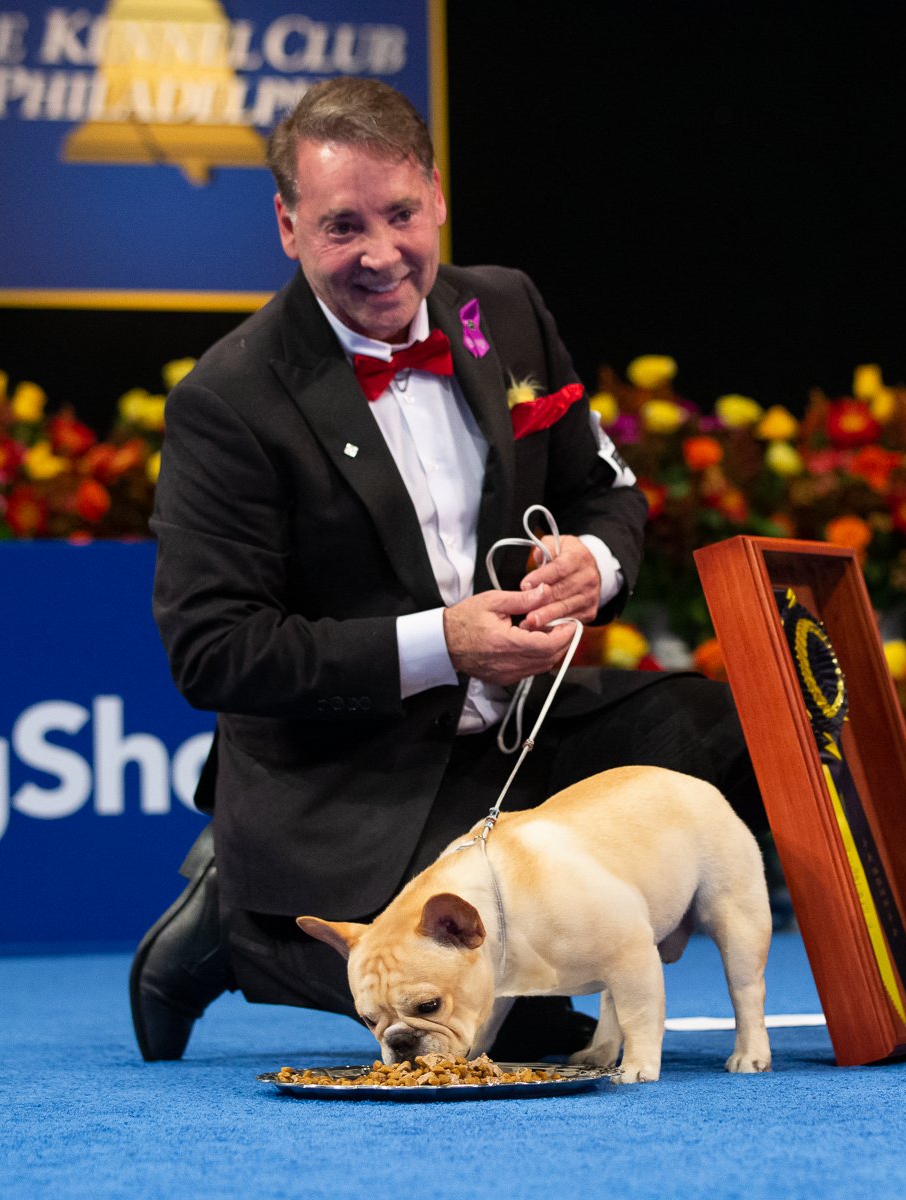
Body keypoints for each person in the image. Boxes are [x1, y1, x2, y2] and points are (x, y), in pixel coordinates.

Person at [130, 77, 759, 1062]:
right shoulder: (229, 398)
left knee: (716, 736)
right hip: (352, 768)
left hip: (517, 739)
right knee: (452, 1005)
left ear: (437, 197)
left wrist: (591, 562)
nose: (381, 253)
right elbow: (213, 650)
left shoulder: (504, 311)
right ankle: (227, 921)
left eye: (400, 215)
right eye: (342, 227)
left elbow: (606, 492)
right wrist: (443, 644)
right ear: (287, 226)